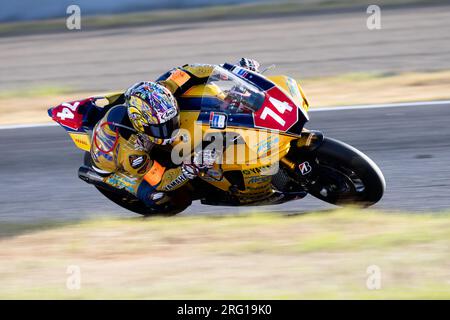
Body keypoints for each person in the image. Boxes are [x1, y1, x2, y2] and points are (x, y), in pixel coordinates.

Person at [89, 58, 261, 213]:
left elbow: (196, 70)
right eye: (160, 127)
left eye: (170, 121)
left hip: (142, 131)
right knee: (165, 198)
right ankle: (123, 186)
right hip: (112, 166)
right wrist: (189, 168)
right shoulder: (133, 154)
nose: (168, 130)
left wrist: (235, 74)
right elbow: (162, 180)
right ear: (141, 125)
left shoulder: (164, 89)